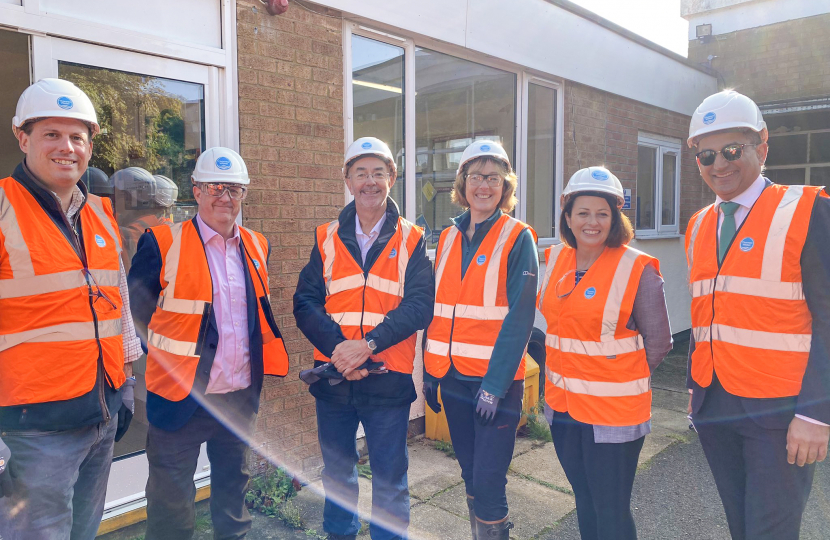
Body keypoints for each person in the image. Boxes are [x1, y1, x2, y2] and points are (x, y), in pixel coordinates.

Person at [0, 78, 142, 539]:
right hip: (35, 428)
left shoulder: (98, 212)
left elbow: (116, 303)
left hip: (101, 412)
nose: (67, 147)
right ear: (22, 137)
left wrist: (126, 385)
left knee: (84, 530)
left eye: (77, 137)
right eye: (51, 134)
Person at [685, 90, 830, 540]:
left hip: (783, 412)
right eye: (707, 155)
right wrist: (695, 389)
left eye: (732, 150)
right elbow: (706, 314)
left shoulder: (809, 210)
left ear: (762, 146)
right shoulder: (699, 224)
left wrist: (818, 414)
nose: (719, 164)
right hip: (716, 406)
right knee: (741, 527)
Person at [128, 146, 289, 539]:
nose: (225, 197)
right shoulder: (163, 243)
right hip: (181, 400)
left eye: (234, 189)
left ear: (244, 195)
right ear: (196, 191)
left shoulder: (257, 245)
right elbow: (135, 315)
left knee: (233, 497)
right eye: (215, 187)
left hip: (237, 399)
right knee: (171, 506)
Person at [293, 137, 433, 540]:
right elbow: (305, 302)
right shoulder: (327, 236)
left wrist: (366, 346)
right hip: (335, 378)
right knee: (337, 475)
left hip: (387, 379)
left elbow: (420, 305)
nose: (369, 181)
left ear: (391, 177)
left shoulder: (412, 238)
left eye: (378, 173)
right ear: (347, 179)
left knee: (390, 479)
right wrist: (342, 351)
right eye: (361, 173)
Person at [536, 166, 672, 540]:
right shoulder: (555, 260)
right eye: (582, 212)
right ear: (567, 216)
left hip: (613, 413)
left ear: (615, 218)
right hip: (563, 406)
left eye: (602, 213)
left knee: (610, 508)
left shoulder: (637, 268)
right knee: (583, 498)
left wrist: (616, 377)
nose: (591, 222)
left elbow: (659, 342)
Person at [423, 139, 538, 540]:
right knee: (469, 471)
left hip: (495, 385)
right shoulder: (448, 237)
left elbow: (520, 318)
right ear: (463, 183)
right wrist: (430, 371)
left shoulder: (518, 237)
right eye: (476, 176)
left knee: (489, 480)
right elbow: (438, 309)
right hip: (452, 377)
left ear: (505, 186)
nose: (483, 186)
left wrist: (494, 386)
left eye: (493, 178)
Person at [113, 167, 176, 270]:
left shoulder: (128, 233)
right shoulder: (166, 227)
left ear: (128, 199)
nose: (112, 200)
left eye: (115, 195)